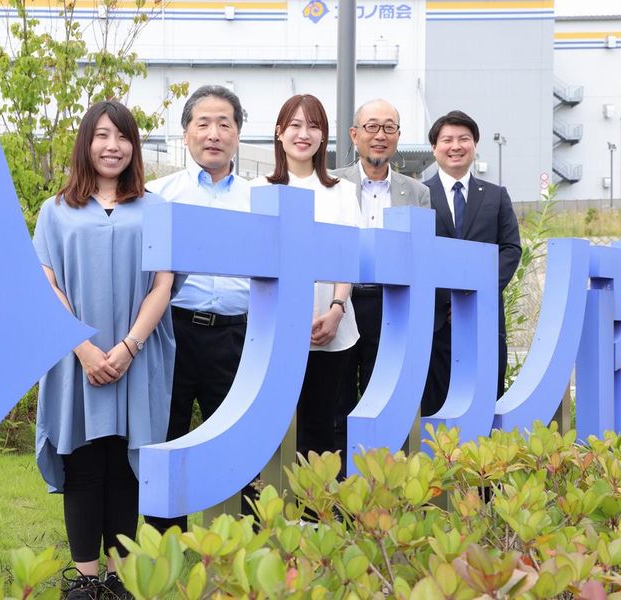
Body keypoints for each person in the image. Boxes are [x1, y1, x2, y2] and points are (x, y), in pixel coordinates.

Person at [32, 101, 175, 600]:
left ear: (134, 145)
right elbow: (46, 285)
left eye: (123, 136)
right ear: (86, 143)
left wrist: (129, 346)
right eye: (102, 135)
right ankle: (86, 580)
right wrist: (84, 348)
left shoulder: (155, 209)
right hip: (76, 358)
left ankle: (118, 579)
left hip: (138, 353)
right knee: (84, 461)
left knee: (125, 463)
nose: (113, 146)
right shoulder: (55, 211)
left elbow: (162, 285)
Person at [145, 85, 250, 531]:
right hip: (172, 330)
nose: (214, 134)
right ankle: (163, 540)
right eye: (203, 123)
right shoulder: (157, 195)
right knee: (164, 436)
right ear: (186, 132)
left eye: (224, 124)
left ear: (238, 134)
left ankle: (242, 541)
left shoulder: (259, 199)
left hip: (237, 335)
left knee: (236, 440)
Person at [251, 94, 361, 460]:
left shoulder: (342, 191)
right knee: (271, 430)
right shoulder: (258, 189)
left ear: (324, 136)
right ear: (279, 133)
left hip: (329, 326)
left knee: (320, 429)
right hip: (273, 328)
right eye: (295, 125)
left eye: (313, 126)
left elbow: (348, 257)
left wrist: (337, 308)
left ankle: (317, 499)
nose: (304, 134)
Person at [332, 99, 430, 467]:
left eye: (389, 127)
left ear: (398, 136)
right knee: (338, 397)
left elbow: (419, 255)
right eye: (371, 126)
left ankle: (381, 477)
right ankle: (338, 481)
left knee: (385, 393)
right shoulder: (332, 183)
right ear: (354, 134)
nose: (380, 135)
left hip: (391, 306)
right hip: (341, 303)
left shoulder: (416, 192)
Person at [421, 110, 521, 416]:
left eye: (463, 139)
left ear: (474, 145)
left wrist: (475, 293)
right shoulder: (419, 194)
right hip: (435, 321)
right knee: (435, 408)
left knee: (486, 403)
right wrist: (449, 297)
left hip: (484, 316)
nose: (455, 146)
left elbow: (510, 249)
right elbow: (415, 254)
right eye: (447, 140)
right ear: (434, 148)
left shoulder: (496, 196)